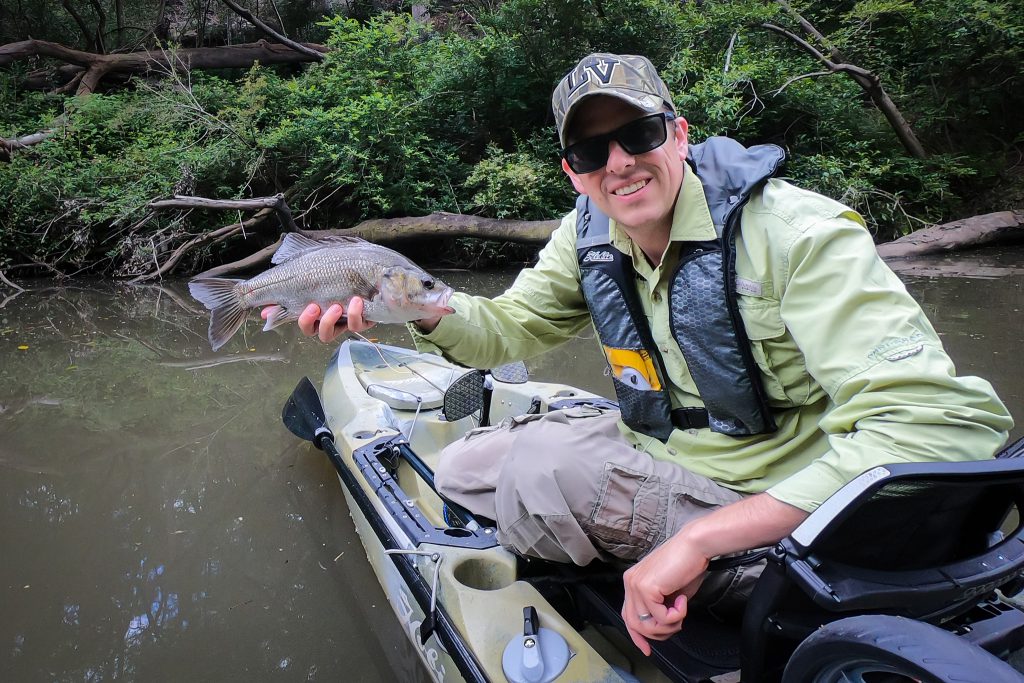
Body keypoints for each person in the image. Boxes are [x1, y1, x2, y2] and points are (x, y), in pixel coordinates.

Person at [270, 53, 1013, 654]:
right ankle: (640, 543)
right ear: (572, 170)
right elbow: (506, 330)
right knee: (461, 466)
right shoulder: (585, 234)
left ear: (679, 134)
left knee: (538, 466)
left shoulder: (797, 233)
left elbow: (941, 427)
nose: (618, 162)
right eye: (591, 150)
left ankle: (732, 582)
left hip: (778, 500)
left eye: (639, 135)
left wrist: (700, 538)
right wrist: (410, 309)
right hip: (667, 451)